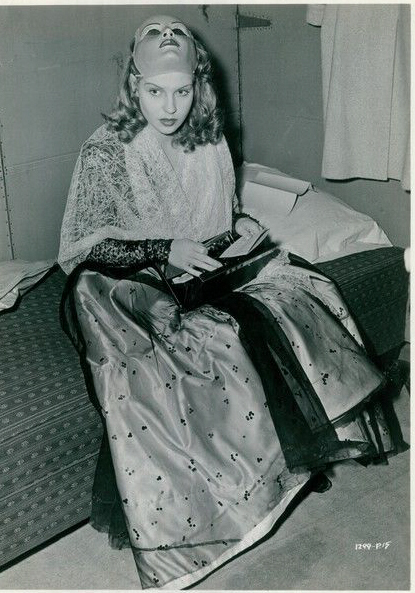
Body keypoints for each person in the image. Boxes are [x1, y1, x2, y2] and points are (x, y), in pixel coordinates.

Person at [58, 15, 398, 590]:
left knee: (300, 289)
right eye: (154, 92)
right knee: (207, 344)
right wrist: (162, 249)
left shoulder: (208, 135)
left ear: (199, 85)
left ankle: (275, 471)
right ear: (133, 86)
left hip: (196, 272)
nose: (170, 107)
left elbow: (215, 217)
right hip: (123, 285)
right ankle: (214, 512)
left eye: (182, 91)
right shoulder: (105, 152)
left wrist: (236, 228)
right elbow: (80, 250)